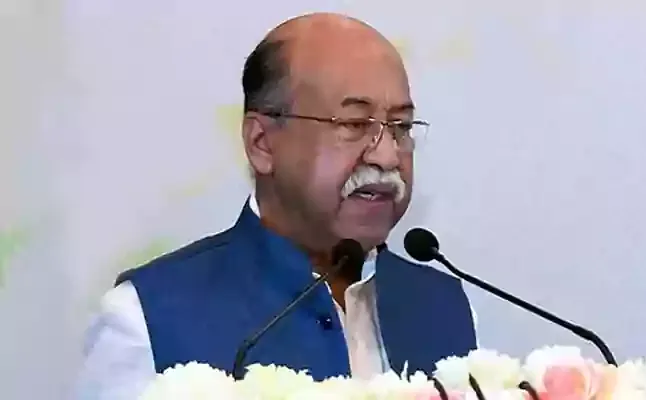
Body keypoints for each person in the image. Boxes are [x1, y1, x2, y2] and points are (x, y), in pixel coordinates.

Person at [75, 12, 478, 399]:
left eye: (401, 127)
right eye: (354, 125)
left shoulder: (441, 305)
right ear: (262, 143)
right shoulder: (146, 319)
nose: (388, 156)